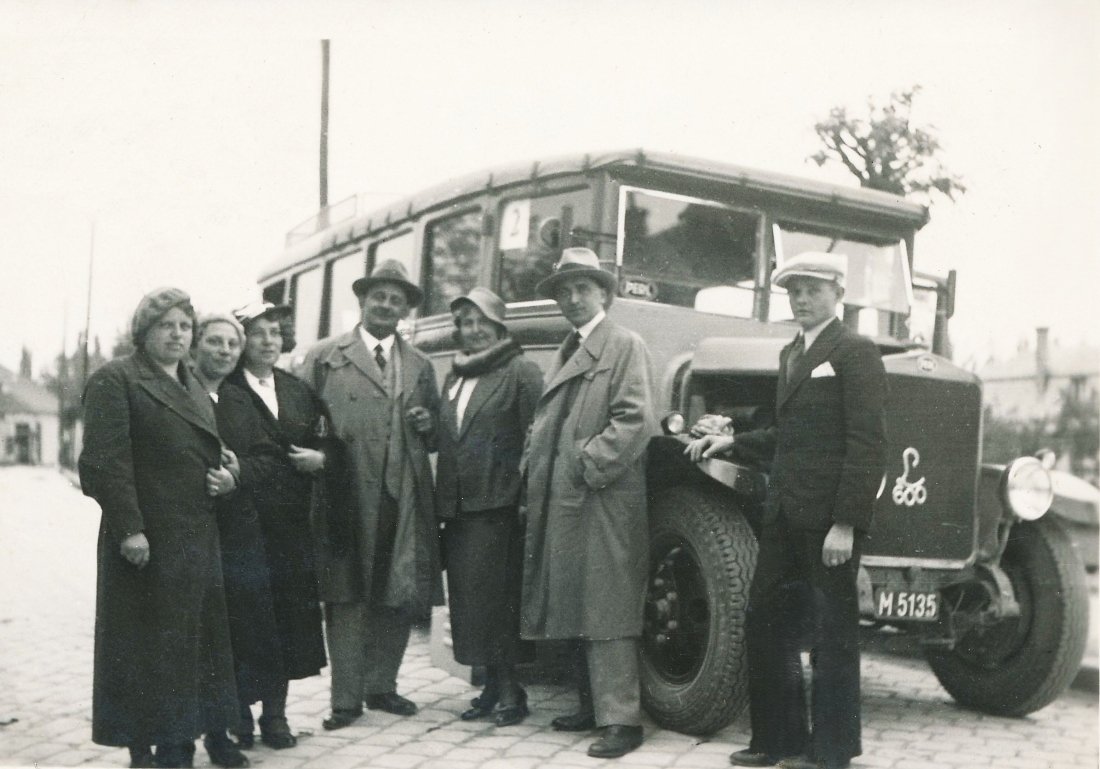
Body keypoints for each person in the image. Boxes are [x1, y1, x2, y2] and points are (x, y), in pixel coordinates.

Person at [685, 252, 888, 769]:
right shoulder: (791, 353)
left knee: (832, 634)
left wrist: (846, 523)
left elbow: (867, 444)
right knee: (765, 621)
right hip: (783, 515)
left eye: (813, 290)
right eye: (794, 290)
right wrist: (732, 441)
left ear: (838, 293)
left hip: (828, 522)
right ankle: (777, 741)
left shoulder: (855, 351)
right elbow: (786, 435)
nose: (801, 299)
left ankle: (833, 751)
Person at [79, 288, 240, 769]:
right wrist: (130, 529)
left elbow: (204, 445)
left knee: (191, 647)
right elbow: (104, 462)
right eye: (166, 325)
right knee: (144, 646)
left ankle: (178, 741)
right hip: (147, 538)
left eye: (185, 326)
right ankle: (142, 748)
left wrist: (227, 474)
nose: (177, 335)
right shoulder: (116, 379)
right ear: (144, 331)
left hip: (196, 536)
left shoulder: (193, 382)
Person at [521, 247, 658, 759]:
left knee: (608, 605)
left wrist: (584, 463)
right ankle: (591, 706)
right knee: (576, 597)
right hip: (568, 496)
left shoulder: (623, 344)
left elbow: (635, 420)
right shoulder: (569, 348)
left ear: (605, 293)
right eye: (565, 290)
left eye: (584, 288)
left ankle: (622, 721)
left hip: (603, 497)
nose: (573, 298)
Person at [301, 259, 443, 731]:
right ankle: (346, 700)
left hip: (402, 495)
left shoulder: (420, 365)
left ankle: (382, 686)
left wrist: (428, 423)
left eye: (395, 299)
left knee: (397, 588)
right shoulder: (325, 357)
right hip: (344, 494)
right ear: (362, 300)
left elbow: (437, 434)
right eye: (378, 296)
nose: (386, 305)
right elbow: (298, 422)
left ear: (405, 310)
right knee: (346, 595)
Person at [192, 308, 328, 755]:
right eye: (257, 334)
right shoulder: (224, 388)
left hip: (288, 525)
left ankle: (276, 714)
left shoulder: (297, 389)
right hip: (240, 523)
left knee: (284, 620)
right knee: (242, 623)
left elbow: (327, 438)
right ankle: (239, 717)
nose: (268, 341)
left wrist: (322, 458)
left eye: (276, 333)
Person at [435, 288, 544, 727]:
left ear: (499, 327)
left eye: (481, 321)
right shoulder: (455, 375)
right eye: (465, 322)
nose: (473, 330)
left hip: (499, 505)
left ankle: (512, 692)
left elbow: (537, 438)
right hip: (459, 508)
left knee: (499, 603)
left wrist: (525, 497)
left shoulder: (521, 372)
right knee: (471, 602)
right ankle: (491, 688)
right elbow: (452, 435)